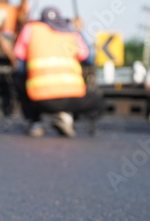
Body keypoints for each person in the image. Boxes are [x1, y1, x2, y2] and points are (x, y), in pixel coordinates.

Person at [13, 6, 105, 137]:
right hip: (74, 99)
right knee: (99, 102)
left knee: (18, 78)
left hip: (40, 100)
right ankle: (66, 116)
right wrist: (80, 30)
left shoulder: (30, 29)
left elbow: (20, 66)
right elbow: (89, 59)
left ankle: (35, 122)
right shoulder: (72, 32)